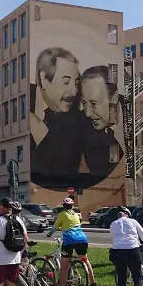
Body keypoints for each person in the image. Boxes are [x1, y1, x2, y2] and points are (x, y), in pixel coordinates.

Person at [30, 47, 88, 186]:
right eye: (66, 81)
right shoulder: (19, 103)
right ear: (44, 79)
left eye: (76, 83)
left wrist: (40, 132)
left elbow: (64, 166)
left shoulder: (79, 122)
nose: (73, 91)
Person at [79, 65, 124, 183]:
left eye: (94, 104)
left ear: (113, 98)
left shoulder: (136, 111)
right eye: (84, 103)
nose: (87, 113)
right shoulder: (81, 127)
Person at [53, 197, 97, 286]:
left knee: (64, 265)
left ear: (63, 206)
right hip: (82, 240)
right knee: (85, 260)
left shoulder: (62, 214)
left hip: (69, 241)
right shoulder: (76, 215)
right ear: (72, 206)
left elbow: (55, 227)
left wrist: (48, 234)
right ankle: (93, 283)